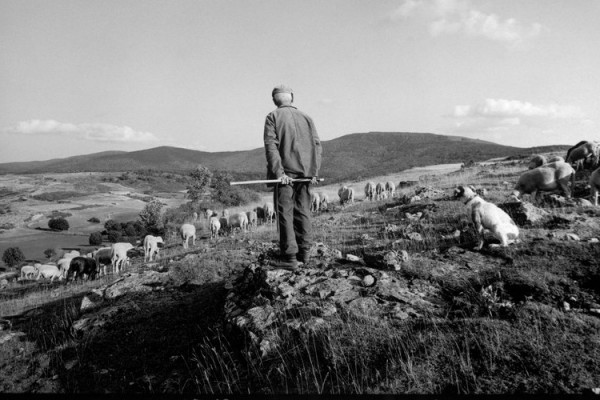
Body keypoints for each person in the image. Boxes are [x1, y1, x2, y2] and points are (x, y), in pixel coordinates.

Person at [264, 85, 322, 269]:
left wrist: (279, 173)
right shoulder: (307, 117)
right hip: (306, 174)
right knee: (303, 210)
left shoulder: (272, 117)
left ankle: (289, 258)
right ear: (292, 98)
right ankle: (305, 253)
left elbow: (271, 147)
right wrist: (313, 172)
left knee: (285, 213)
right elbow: (317, 146)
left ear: (274, 100)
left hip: (285, 175)